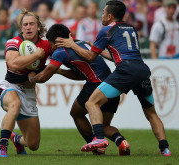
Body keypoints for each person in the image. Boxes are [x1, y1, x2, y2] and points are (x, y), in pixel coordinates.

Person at [55, 0, 171, 156]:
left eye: (103, 12)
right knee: (151, 113)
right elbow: (120, 54)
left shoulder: (106, 30)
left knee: (91, 102)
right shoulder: (131, 28)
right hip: (142, 70)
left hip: (125, 71)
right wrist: (100, 50)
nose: (101, 15)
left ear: (109, 16)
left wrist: (72, 44)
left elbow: (89, 57)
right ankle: (165, 149)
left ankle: (99, 139)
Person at [28, 24, 130, 156]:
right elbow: (80, 75)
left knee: (76, 113)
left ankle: (96, 147)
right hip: (111, 83)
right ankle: (122, 142)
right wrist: (59, 71)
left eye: (51, 44)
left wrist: (31, 78)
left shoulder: (61, 51)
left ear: (57, 41)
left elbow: (43, 77)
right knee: (103, 126)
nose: (51, 48)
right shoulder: (80, 44)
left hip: (96, 85)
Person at [0, 8, 51, 157]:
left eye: (32, 24)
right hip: (9, 86)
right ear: (21, 28)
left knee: (33, 144)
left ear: (38, 26)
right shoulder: (13, 42)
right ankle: (2, 147)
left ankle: (16, 139)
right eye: (25, 25)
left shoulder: (46, 45)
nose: (28, 27)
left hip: (29, 93)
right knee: (15, 104)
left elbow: (58, 59)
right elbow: (13, 64)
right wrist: (37, 55)